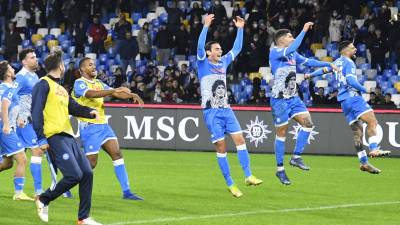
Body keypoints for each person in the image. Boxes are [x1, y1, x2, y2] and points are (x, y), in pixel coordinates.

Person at [32, 50, 102, 225]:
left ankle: (83, 218)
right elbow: (36, 112)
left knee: (87, 174)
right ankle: (43, 199)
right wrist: (41, 138)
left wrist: (89, 112)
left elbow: (73, 107)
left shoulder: (61, 89)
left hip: (68, 136)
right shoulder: (43, 84)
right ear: (61, 66)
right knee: (74, 175)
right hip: (54, 136)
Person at [197, 14, 262, 198]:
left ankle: (248, 175)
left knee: (240, 140)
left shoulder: (224, 62)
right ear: (209, 52)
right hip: (211, 112)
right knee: (221, 147)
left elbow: (237, 48)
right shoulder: (202, 63)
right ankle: (230, 183)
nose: (220, 51)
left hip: (226, 109)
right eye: (217, 49)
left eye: (220, 49)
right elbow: (200, 46)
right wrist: (205, 27)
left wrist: (240, 29)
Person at [307, 41, 391, 174]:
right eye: (353, 47)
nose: (356, 49)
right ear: (345, 50)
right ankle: (374, 148)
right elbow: (352, 81)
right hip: (353, 97)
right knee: (372, 121)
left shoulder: (337, 62)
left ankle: (364, 163)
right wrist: (365, 89)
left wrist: (310, 75)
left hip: (344, 102)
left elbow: (324, 69)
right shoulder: (349, 62)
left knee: (357, 133)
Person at [269, 22, 337, 185]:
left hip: (293, 97)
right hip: (279, 99)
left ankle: (296, 157)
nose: (292, 38)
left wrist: (328, 64)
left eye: (293, 36)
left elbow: (309, 62)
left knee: (308, 124)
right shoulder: (275, 52)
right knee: (282, 134)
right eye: (290, 36)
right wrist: (304, 30)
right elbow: (292, 48)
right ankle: (280, 170)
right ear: (281, 40)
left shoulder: (292, 55)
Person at [72, 57, 144, 200]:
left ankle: (127, 191)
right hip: (89, 127)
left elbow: (116, 93)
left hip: (104, 126)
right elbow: (90, 94)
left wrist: (132, 95)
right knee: (91, 163)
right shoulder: (79, 83)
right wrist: (113, 90)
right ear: (82, 70)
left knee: (117, 154)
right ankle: (66, 184)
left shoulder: (99, 83)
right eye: (90, 65)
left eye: (94, 64)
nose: (94, 67)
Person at [0, 61, 34, 201]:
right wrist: (7, 125)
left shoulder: (2, 87)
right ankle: (19, 193)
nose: (14, 69)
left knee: (8, 163)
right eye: (11, 68)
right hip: (6, 129)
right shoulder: (9, 88)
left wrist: (16, 119)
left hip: (4, 127)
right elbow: (4, 105)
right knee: (22, 159)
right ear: (8, 73)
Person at [14, 48, 44, 197]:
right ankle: (39, 191)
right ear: (24, 61)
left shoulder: (35, 75)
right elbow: (11, 96)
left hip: (30, 121)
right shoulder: (21, 77)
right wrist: (18, 116)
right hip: (22, 121)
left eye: (36, 56)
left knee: (9, 162)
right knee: (37, 150)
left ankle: (18, 192)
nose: (35, 59)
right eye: (32, 57)